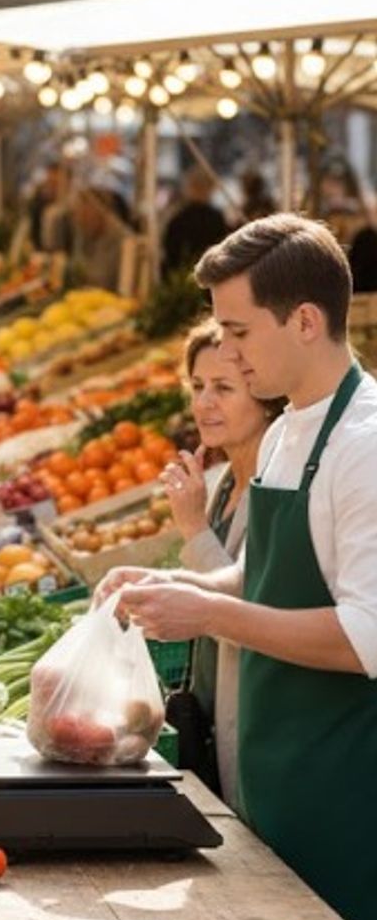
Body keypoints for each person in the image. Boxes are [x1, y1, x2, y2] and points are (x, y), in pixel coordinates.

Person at [103, 214, 377, 920]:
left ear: (305, 320)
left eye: (238, 330)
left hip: (345, 800)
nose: (229, 352)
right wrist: (177, 589)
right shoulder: (295, 426)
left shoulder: (366, 445)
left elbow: (365, 635)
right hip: (270, 790)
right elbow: (270, 577)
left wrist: (211, 614)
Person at [159, 320, 283, 807]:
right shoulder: (224, 482)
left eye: (224, 388)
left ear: (265, 392)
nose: (204, 402)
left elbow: (250, 599)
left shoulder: (278, 486)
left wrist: (192, 528)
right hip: (220, 716)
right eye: (197, 387)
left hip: (259, 723)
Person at [162, 168, 228, 277]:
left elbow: (170, 253)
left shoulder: (178, 218)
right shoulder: (217, 218)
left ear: (189, 188)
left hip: (183, 280)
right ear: (210, 189)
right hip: (210, 278)